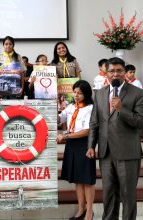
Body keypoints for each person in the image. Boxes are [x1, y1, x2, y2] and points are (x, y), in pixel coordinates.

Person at [87, 57, 143, 220]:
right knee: (109, 195)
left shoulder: (137, 93)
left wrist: (121, 109)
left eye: (119, 70)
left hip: (127, 152)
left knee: (127, 195)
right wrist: (91, 145)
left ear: (125, 72)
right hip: (105, 152)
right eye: (111, 71)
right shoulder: (100, 93)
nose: (115, 74)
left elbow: (140, 122)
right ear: (106, 73)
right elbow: (94, 122)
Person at [57, 80, 96, 220]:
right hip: (72, 144)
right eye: (75, 92)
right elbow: (59, 119)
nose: (76, 95)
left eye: (80, 93)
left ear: (86, 94)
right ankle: (81, 209)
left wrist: (66, 136)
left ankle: (90, 212)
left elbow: (87, 131)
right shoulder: (70, 107)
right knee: (78, 179)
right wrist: (54, 107)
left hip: (84, 144)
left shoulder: (90, 108)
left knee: (87, 180)